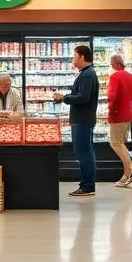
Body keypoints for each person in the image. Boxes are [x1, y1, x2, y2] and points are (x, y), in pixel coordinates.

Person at [54, 43, 99, 197]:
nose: (73, 59)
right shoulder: (85, 73)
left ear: (82, 57)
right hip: (81, 118)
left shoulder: (88, 74)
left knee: (84, 152)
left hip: (83, 119)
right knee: (84, 151)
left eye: (75, 56)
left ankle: (87, 186)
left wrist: (64, 97)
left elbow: (84, 97)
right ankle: (87, 184)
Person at [106, 53, 132, 187]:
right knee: (120, 142)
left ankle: (131, 168)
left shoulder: (114, 77)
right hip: (128, 114)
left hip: (117, 114)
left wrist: (110, 110)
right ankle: (126, 174)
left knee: (115, 142)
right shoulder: (130, 76)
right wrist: (130, 99)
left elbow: (112, 96)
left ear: (115, 64)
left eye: (111, 64)